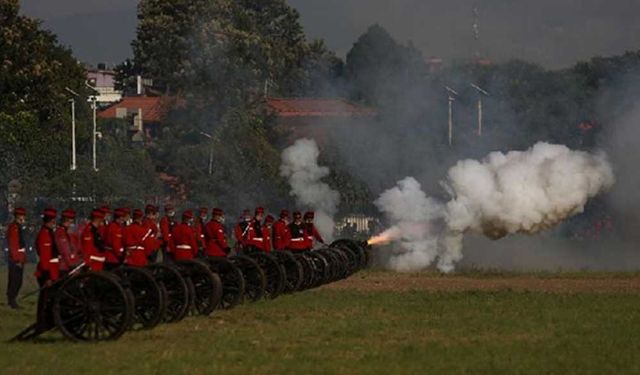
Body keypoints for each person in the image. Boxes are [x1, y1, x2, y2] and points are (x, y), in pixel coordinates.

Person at [6, 207, 27, 309]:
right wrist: (18, 259)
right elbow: (13, 245)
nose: (23, 218)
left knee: (17, 280)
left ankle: (12, 299)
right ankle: (11, 300)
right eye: (22, 216)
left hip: (19, 258)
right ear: (19, 216)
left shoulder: (17, 227)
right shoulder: (14, 228)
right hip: (15, 259)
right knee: (15, 280)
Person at [35, 208, 60, 287]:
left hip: (53, 270)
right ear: (51, 221)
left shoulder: (50, 233)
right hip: (48, 271)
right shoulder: (44, 235)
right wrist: (47, 277)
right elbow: (44, 257)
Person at [55, 208, 81, 277]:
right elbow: (65, 251)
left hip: (68, 265)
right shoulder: (61, 233)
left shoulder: (66, 232)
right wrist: (72, 266)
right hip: (65, 266)